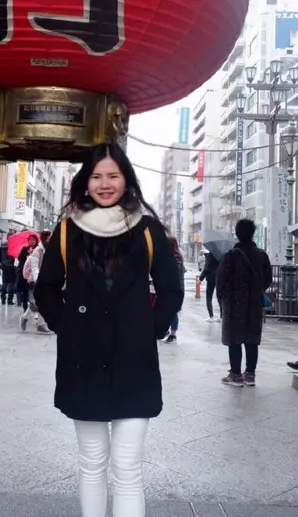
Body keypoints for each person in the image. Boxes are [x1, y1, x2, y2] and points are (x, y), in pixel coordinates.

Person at [34, 143, 183, 517]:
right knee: (91, 462)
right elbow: (46, 287)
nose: (105, 184)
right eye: (97, 176)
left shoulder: (147, 230)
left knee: (128, 468)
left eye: (113, 176)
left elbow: (170, 287)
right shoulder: (68, 230)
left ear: (126, 180)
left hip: (134, 361)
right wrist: (66, 326)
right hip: (83, 359)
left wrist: (150, 327)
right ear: (85, 182)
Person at [216, 218, 272, 387]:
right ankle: (250, 374)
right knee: (251, 339)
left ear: (237, 234)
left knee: (234, 339)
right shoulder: (261, 255)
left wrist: (224, 298)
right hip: (254, 304)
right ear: (253, 233)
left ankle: (235, 375)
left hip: (233, 304)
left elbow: (221, 281)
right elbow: (267, 279)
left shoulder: (230, 256)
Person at [20, 229, 52, 334]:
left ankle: (32, 320)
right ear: (46, 238)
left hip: (46, 279)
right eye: (50, 236)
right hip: (35, 280)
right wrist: (38, 279)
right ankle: (39, 324)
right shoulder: (37, 250)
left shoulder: (51, 249)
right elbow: (34, 267)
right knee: (39, 303)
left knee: (42, 302)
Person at [163, 236, 186, 344]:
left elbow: (173, 274)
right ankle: (168, 331)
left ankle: (173, 334)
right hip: (177, 288)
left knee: (172, 312)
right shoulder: (178, 256)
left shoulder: (174, 258)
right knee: (169, 311)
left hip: (174, 289)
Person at [16, 233, 38, 310]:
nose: (31, 241)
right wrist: (26, 255)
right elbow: (19, 258)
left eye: (33, 240)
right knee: (25, 291)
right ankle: (25, 307)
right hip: (26, 273)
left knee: (34, 292)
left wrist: (33, 254)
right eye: (30, 240)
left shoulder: (38, 249)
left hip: (35, 273)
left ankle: (34, 307)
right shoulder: (25, 248)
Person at [199, 251, 220, 321]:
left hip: (211, 278)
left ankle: (211, 316)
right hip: (219, 278)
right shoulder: (222, 255)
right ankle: (222, 317)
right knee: (220, 297)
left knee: (209, 297)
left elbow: (206, 268)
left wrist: (200, 278)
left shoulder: (210, 255)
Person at [0, 239, 16, 305]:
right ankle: (9, 300)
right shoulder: (13, 247)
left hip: (4, 267)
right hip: (12, 267)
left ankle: (3, 299)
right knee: (11, 283)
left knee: (4, 283)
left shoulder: (2, 248)